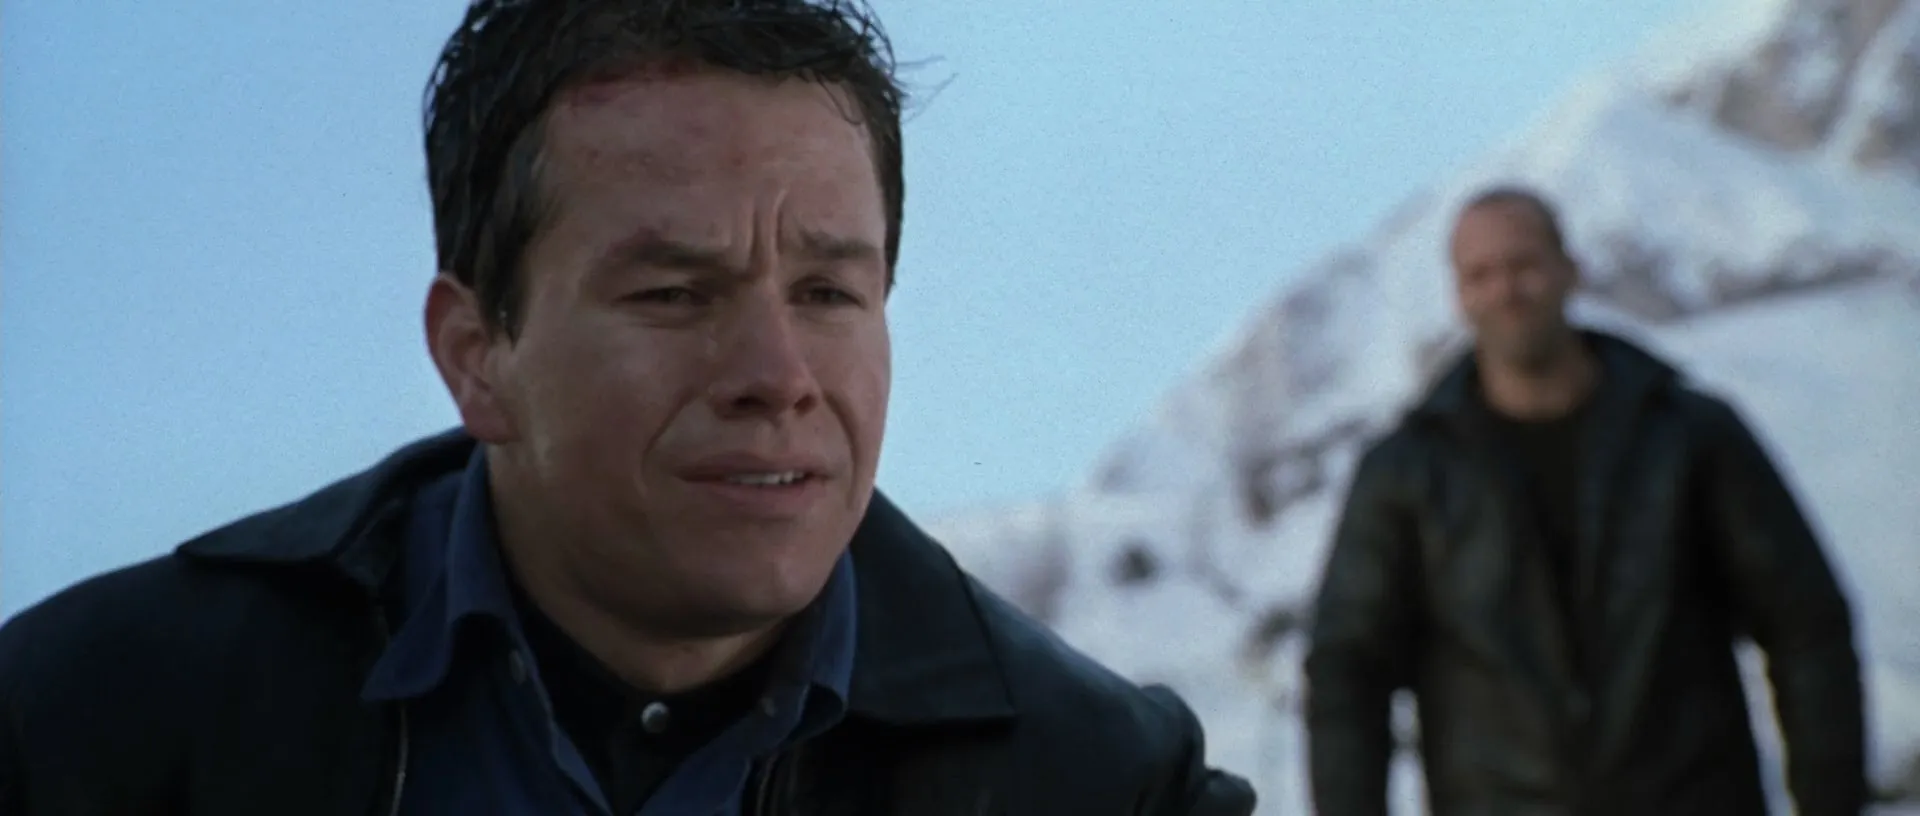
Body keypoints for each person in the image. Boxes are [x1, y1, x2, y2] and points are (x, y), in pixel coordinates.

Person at [0, 2, 1257, 814]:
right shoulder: (92, 724)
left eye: (828, 291)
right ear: (477, 355)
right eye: (673, 294)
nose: (777, 372)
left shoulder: (1106, 787)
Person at [1303, 185, 1866, 816]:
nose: (1506, 291)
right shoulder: (1407, 472)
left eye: (1523, 265)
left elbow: (1805, 622)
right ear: (1459, 296)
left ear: (1570, 270)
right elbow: (1347, 673)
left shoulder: (1688, 435)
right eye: (1480, 275)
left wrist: (1830, 803)